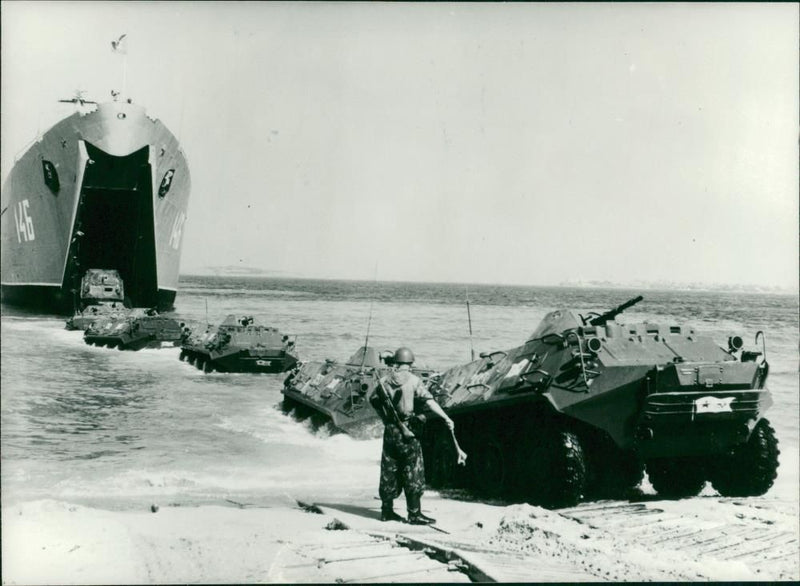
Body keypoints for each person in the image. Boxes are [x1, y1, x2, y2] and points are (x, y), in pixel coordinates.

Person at [370, 347, 455, 525]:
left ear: (396, 362)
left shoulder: (384, 381)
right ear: (410, 363)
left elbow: (373, 400)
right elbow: (429, 402)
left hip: (390, 431)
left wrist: (385, 418)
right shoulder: (414, 381)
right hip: (407, 430)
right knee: (413, 470)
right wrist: (446, 417)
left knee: (389, 469)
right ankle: (414, 514)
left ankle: (386, 511)